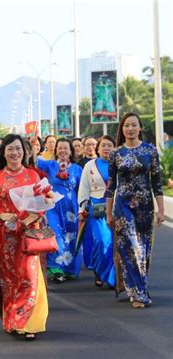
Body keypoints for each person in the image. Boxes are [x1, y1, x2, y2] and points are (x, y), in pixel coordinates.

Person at [0, 134, 48, 341]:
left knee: (29, 276)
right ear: (3, 152)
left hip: (29, 233)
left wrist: (33, 216)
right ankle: (11, 319)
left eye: (18, 148)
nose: (14, 153)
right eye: (10, 149)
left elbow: (45, 203)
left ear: (25, 151)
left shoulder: (33, 176)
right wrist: (0, 214)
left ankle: (28, 322)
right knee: (8, 279)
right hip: (6, 234)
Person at [106, 113, 164, 309]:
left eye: (133, 125)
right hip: (123, 206)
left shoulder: (150, 151)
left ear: (140, 128)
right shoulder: (115, 154)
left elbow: (157, 184)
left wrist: (160, 210)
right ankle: (138, 293)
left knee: (143, 250)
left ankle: (136, 288)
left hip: (145, 206)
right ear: (122, 129)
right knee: (131, 247)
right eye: (126, 126)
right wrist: (108, 213)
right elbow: (111, 187)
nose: (130, 129)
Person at [37, 138, 83, 283]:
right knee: (55, 234)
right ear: (55, 150)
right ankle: (55, 269)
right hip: (52, 206)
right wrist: (33, 144)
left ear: (71, 151)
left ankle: (68, 269)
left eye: (66, 148)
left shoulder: (77, 169)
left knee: (70, 237)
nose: (63, 151)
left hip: (71, 208)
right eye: (60, 148)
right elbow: (32, 160)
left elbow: (82, 189)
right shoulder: (49, 165)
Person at [78, 135, 116, 288]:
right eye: (103, 145)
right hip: (98, 208)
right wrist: (83, 207)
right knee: (101, 241)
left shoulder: (119, 164)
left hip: (116, 207)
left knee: (115, 243)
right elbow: (84, 188)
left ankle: (113, 277)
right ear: (98, 149)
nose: (106, 148)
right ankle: (100, 271)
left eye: (110, 145)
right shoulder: (90, 166)